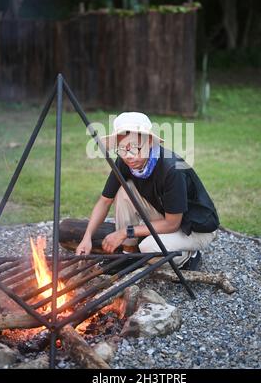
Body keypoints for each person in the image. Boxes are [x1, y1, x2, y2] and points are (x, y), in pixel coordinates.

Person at [76, 112, 220, 270]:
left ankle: (188, 256)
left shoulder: (172, 169)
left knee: (148, 248)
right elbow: (105, 201)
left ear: (150, 141)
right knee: (124, 190)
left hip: (194, 226)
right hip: (167, 213)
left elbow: (173, 224)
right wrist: (87, 237)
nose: (129, 156)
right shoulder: (126, 160)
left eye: (136, 148)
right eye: (122, 149)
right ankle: (127, 252)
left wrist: (126, 231)